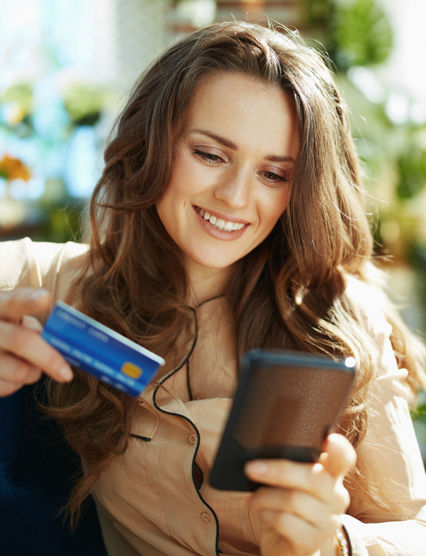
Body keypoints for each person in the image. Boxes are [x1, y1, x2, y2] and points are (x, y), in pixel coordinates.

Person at [0, 20, 425, 556]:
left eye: (274, 174)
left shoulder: (341, 322)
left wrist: (333, 544)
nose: (234, 196)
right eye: (210, 155)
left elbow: (414, 531)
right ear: (151, 143)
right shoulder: (58, 284)